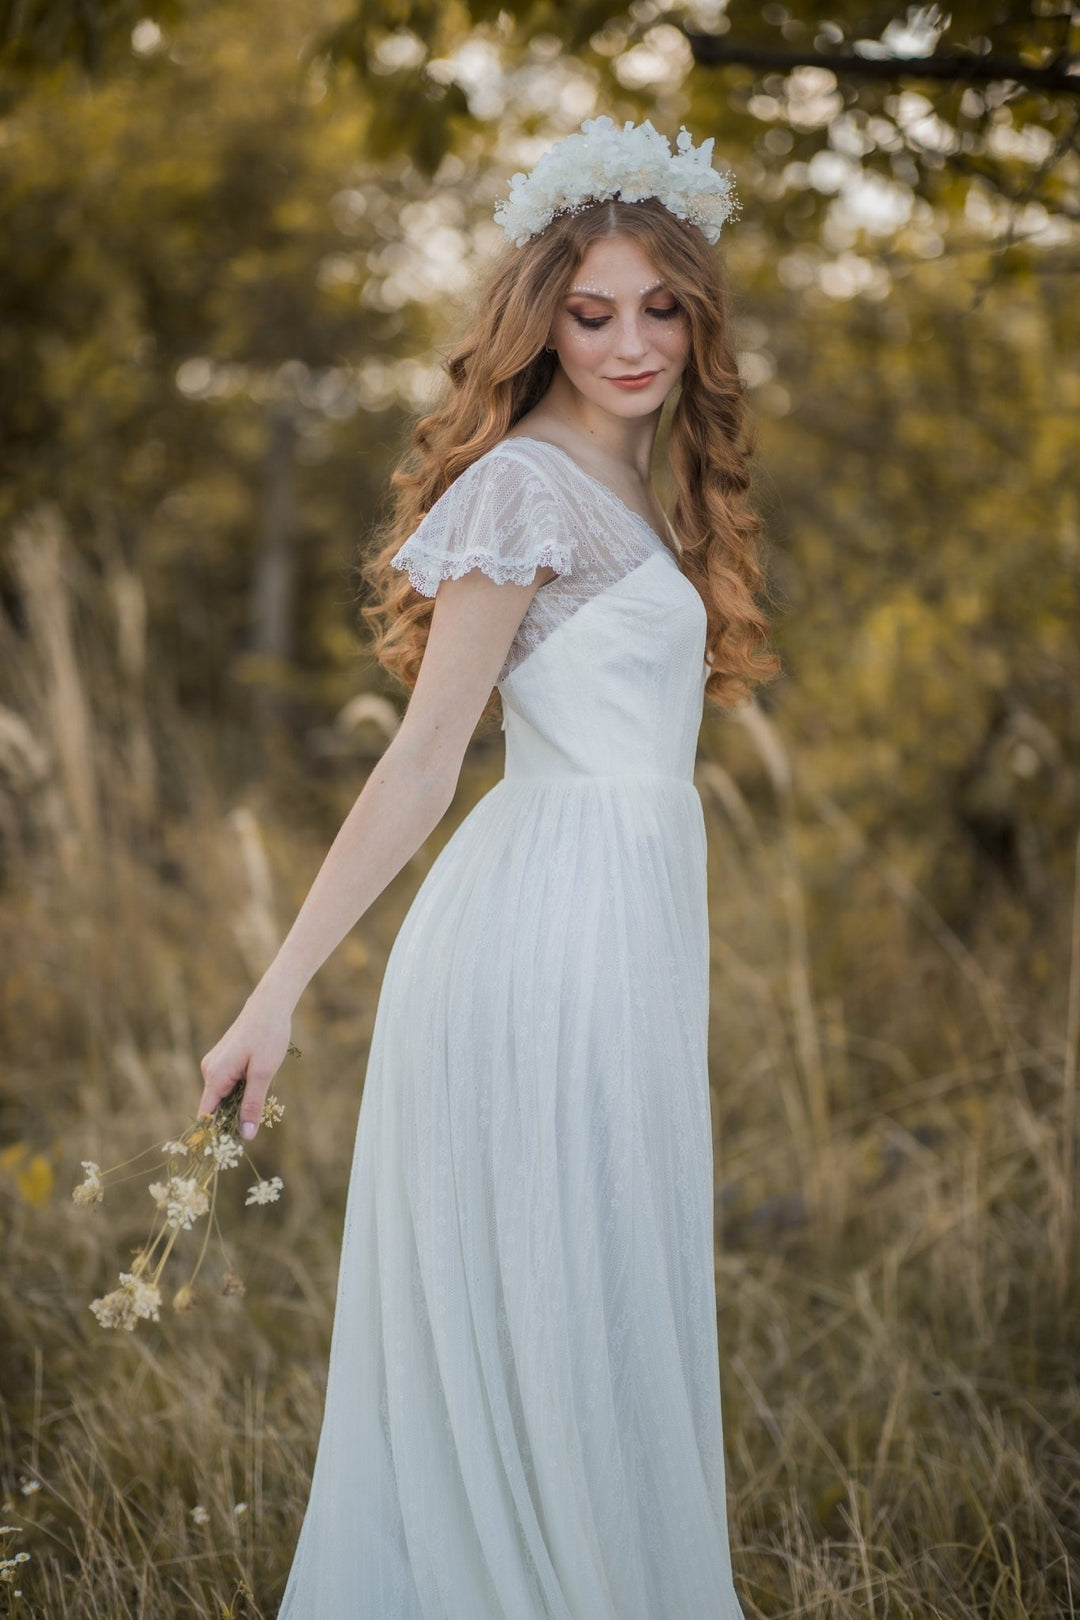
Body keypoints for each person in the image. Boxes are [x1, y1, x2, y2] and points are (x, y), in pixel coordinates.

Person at [198, 114, 779, 1620]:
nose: (631, 341)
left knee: (605, 1293)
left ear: (699, 313)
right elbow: (422, 760)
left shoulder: (639, 492)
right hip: (539, 941)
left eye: (661, 308)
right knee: (563, 1297)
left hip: (626, 934)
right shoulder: (523, 487)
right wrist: (274, 998)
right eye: (591, 314)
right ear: (542, 322)